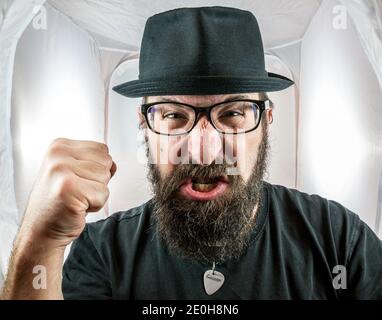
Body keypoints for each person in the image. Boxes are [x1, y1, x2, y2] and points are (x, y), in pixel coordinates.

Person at [2, 6, 381, 300]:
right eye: (173, 115)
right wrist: (39, 243)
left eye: (232, 113)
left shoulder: (338, 239)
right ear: (144, 125)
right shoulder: (103, 254)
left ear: (267, 120)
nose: (202, 151)